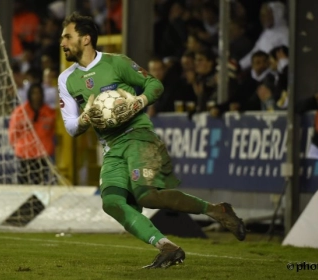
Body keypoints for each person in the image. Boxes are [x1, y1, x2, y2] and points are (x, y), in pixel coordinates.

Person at [58, 12, 246, 269]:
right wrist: (85, 119)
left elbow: (154, 85)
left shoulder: (117, 63)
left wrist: (137, 102)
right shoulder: (66, 79)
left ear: (86, 39)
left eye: (68, 36)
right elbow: (70, 127)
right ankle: (167, 246)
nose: (62, 42)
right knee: (111, 203)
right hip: (112, 148)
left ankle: (215, 210)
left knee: (146, 196)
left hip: (138, 136)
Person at [9, 83, 56, 184]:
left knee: (41, 182)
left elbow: (53, 132)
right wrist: (16, 146)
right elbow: (13, 132)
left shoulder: (50, 112)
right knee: (24, 182)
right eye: (34, 93)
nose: (36, 96)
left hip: (43, 153)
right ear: (30, 95)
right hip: (25, 153)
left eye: (39, 93)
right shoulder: (20, 112)